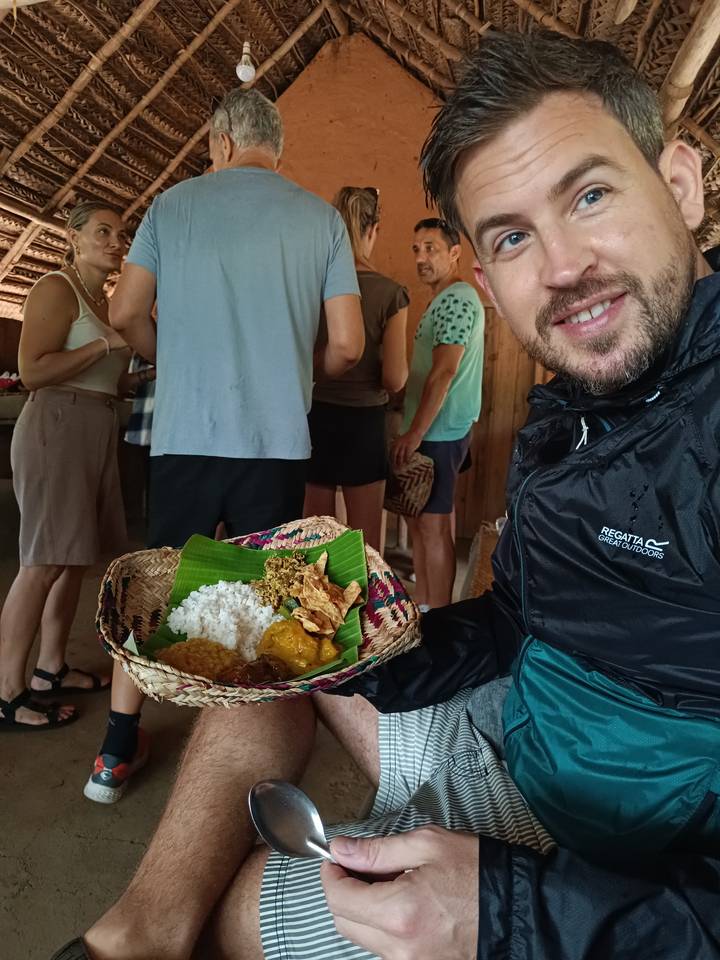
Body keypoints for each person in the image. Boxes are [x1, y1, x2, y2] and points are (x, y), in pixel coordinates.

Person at [52, 31, 720, 960]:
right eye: (515, 236)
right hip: (524, 739)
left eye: (592, 193)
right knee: (256, 634)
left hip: (636, 864)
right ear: (488, 278)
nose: (564, 267)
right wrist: (366, 653)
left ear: (682, 183)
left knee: (242, 907)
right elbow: (515, 622)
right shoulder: (565, 416)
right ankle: (136, 934)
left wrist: (505, 912)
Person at [82, 87, 364, 803]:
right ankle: (243, 763)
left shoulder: (173, 208)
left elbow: (124, 312)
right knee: (259, 598)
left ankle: (115, 751)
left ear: (220, 142)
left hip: (185, 432)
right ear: (275, 147)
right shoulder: (321, 219)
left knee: (154, 586)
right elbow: (349, 347)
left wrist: (173, 358)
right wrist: (303, 369)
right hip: (275, 440)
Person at [0, 201, 146, 730]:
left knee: (73, 556)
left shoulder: (102, 302)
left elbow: (105, 378)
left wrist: (136, 378)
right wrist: (107, 343)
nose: (115, 241)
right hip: (56, 426)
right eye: (103, 231)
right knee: (42, 561)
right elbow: (32, 370)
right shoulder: (55, 288)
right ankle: (7, 692)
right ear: (75, 237)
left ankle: (50, 668)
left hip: (94, 425)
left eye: (120, 233)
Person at [304, 185, 409, 551]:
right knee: (365, 547)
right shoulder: (390, 293)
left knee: (312, 541)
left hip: (314, 415)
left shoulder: (312, 285)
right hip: (363, 422)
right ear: (373, 229)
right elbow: (395, 378)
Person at [391, 218, 484, 608]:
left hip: (439, 432)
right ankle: (424, 607)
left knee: (431, 528)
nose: (421, 257)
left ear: (455, 254)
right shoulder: (444, 299)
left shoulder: (459, 299)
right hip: (437, 429)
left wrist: (414, 433)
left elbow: (444, 372)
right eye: (416, 249)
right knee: (427, 524)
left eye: (431, 248)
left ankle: (437, 616)